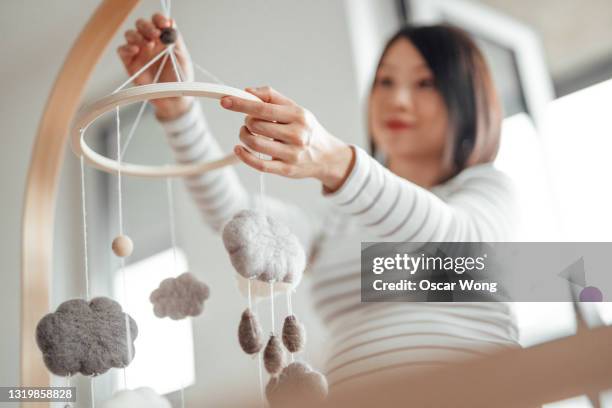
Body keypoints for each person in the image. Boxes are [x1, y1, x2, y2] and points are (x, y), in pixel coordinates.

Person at [118, 13, 519, 392]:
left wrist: (336, 163)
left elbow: (461, 243)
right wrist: (179, 111)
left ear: (466, 98)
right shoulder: (337, 218)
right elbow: (239, 220)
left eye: (424, 83)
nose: (397, 99)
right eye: (384, 81)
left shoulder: (488, 191)